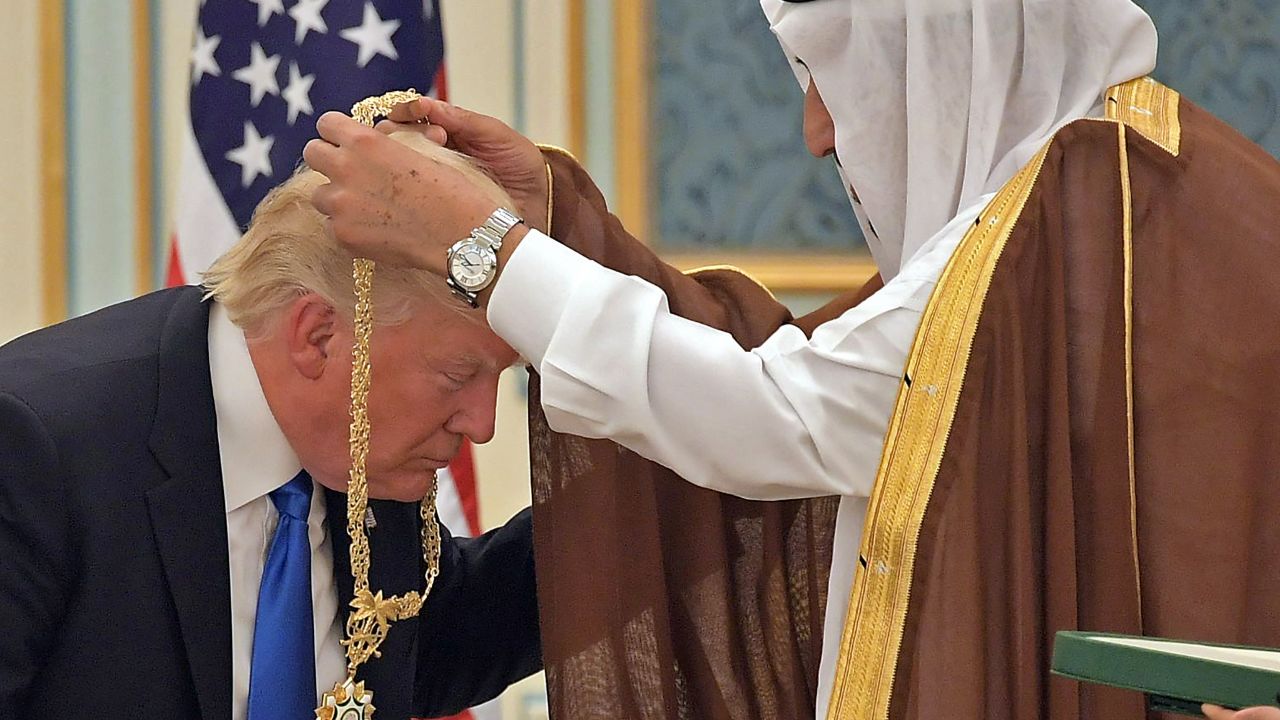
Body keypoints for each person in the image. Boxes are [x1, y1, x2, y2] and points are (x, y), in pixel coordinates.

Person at [305, 0, 1280, 718]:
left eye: (828, 79)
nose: (815, 134)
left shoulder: (1076, 219)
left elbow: (786, 415)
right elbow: (801, 372)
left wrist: (484, 251)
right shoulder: (1118, 185)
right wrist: (552, 234)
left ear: (939, 48)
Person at [0, 133, 541, 719]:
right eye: (458, 374)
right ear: (317, 336)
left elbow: (423, 650)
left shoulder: (362, 448)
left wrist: (636, 483)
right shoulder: (34, 447)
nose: (482, 424)